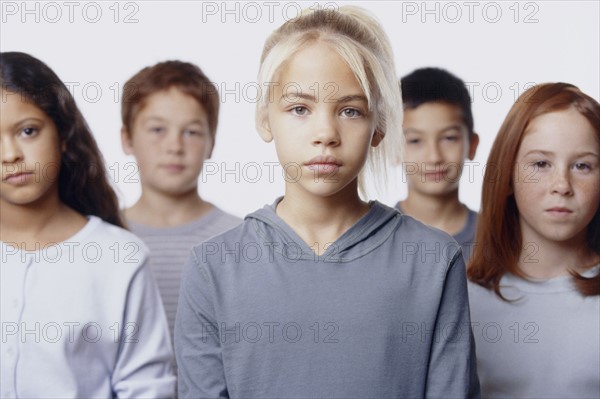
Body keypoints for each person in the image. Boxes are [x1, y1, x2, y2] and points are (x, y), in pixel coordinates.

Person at [175, 7, 479, 398]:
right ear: (265, 119)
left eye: (350, 111)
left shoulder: (434, 261)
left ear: (380, 125)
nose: (325, 133)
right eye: (300, 109)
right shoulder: (212, 268)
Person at [0, 52, 175, 398]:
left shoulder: (119, 257)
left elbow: (146, 388)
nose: (10, 154)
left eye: (28, 131)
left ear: (63, 134)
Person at [468, 82, 600, 398]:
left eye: (582, 165)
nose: (562, 185)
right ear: (508, 176)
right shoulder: (461, 301)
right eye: (541, 164)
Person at [120, 60, 242, 345]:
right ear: (127, 139)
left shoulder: (238, 239)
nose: (174, 147)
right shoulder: (104, 237)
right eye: (157, 130)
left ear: (212, 142)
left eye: (191, 132)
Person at [397, 67, 479, 262]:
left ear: (472, 144)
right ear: (392, 148)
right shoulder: (374, 239)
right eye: (415, 141)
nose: (434, 157)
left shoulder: (500, 238)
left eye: (449, 138)